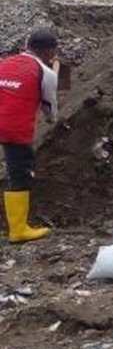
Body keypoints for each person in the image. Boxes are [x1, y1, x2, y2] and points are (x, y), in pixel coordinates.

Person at [0, 29, 61, 243]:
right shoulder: (46, 73)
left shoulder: (6, 62)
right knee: (20, 173)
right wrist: (52, 118)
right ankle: (18, 230)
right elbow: (50, 110)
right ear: (50, 51)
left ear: (28, 45)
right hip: (14, 128)